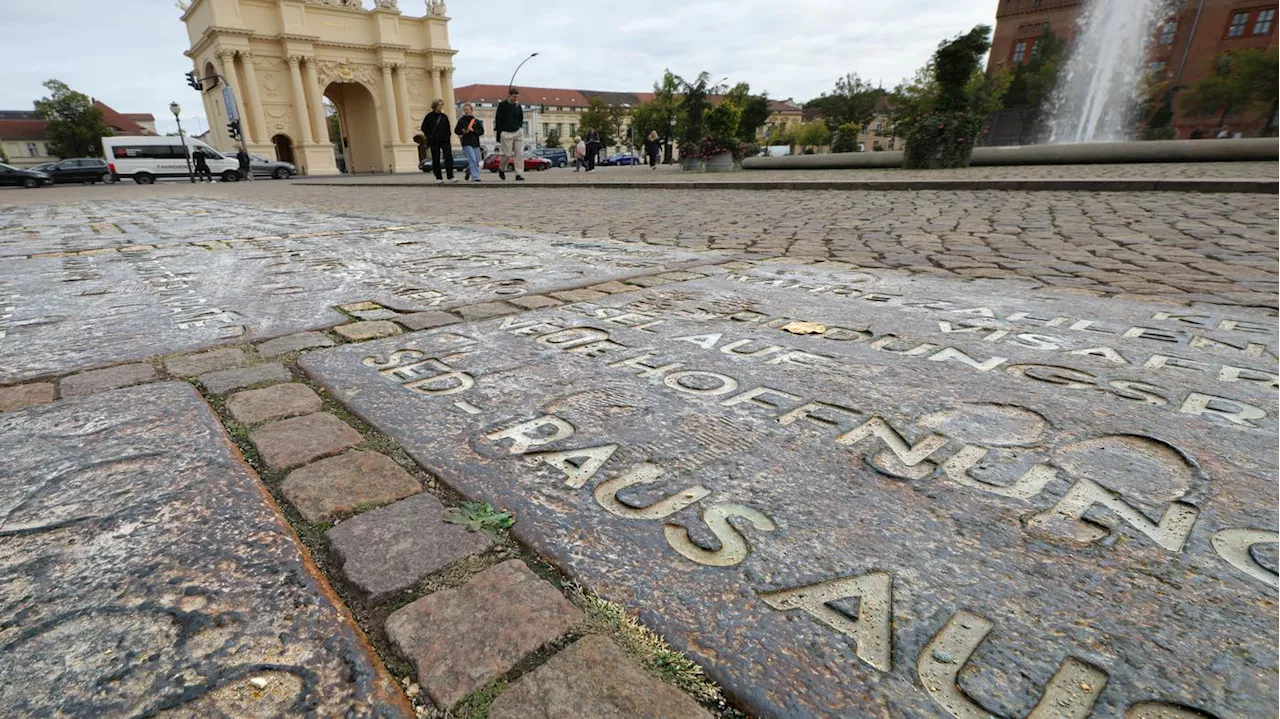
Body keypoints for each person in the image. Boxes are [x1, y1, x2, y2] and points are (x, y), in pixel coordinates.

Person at [494, 87, 525, 181]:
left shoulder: (518, 106)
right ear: (510, 95)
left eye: (517, 97)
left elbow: (521, 118)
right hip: (506, 133)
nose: (516, 99)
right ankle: (501, 169)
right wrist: (499, 135)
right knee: (507, 154)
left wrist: (519, 126)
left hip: (518, 132)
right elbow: (498, 120)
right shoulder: (502, 105)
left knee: (519, 154)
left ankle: (518, 174)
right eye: (514, 97)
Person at [421, 99, 455, 183]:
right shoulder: (429, 116)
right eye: (439, 105)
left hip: (445, 140)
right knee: (436, 159)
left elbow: (448, 128)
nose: (440, 106)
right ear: (435, 106)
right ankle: (438, 177)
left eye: (441, 105)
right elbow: (423, 127)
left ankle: (450, 176)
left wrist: (448, 136)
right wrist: (430, 135)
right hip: (434, 141)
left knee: (449, 157)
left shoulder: (444, 116)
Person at [455, 102, 485, 183]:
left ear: (471, 110)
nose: (466, 111)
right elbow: (456, 131)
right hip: (466, 142)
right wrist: (462, 131)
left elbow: (481, 131)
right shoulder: (461, 121)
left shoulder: (476, 121)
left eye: (467, 109)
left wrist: (474, 131)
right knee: (472, 159)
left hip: (475, 142)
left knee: (477, 160)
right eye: (465, 110)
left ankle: (468, 171)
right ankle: (475, 177)